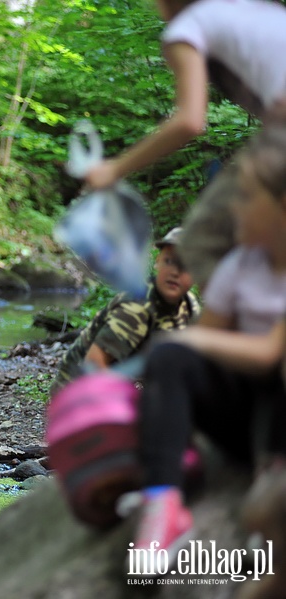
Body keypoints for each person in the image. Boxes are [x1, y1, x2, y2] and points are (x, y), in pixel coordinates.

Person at [128, 127, 286, 592]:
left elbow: (271, 351)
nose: (233, 209)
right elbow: (204, 345)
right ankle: (163, 502)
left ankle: (273, 497)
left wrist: (193, 344)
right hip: (243, 419)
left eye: (247, 198)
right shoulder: (241, 266)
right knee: (173, 359)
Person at [83, 0, 286, 290]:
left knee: (201, 243)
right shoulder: (253, 8)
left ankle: (242, 333)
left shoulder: (188, 26)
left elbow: (189, 122)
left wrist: (113, 170)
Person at [49, 227, 200, 396]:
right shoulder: (137, 308)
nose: (175, 272)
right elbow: (94, 364)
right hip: (76, 392)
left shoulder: (189, 305)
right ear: (158, 262)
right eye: (169, 261)